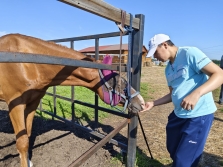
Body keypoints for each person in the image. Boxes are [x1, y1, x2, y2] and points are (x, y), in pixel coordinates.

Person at [140, 34, 223, 167]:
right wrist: (153, 103)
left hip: (198, 115)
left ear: (165, 45)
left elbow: (219, 74)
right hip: (179, 115)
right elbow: (172, 94)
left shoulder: (189, 53)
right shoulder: (168, 69)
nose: (155, 57)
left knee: (183, 161)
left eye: (155, 52)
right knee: (173, 148)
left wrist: (197, 93)